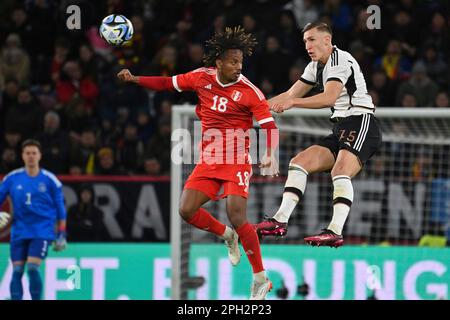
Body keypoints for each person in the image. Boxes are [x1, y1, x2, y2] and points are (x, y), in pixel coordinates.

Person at [117, 26, 278, 300]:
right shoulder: (200, 78)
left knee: (236, 213)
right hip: (209, 159)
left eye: (241, 62)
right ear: (219, 63)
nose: (239, 67)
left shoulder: (251, 92)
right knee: (186, 209)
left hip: (237, 158)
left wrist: (270, 153)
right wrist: (135, 79)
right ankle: (227, 235)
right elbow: (168, 84)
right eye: (233, 62)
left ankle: (260, 278)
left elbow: (270, 126)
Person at [254, 22, 382, 248]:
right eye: (305, 41)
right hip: (340, 127)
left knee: (340, 171)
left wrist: (293, 102)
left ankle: (335, 231)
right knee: (299, 163)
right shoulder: (315, 67)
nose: (307, 46)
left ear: (327, 40)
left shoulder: (340, 59)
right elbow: (289, 94)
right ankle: (279, 221)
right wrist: (253, 109)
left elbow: (328, 98)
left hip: (362, 122)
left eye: (312, 40)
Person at [0, 139, 67, 300]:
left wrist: (62, 233)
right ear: (22, 156)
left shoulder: (50, 180)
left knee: (32, 268)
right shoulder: (12, 178)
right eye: (27, 153)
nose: (31, 156)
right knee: (17, 270)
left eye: (34, 153)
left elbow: (60, 208)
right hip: (19, 230)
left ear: (40, 156)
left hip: (41, 230)